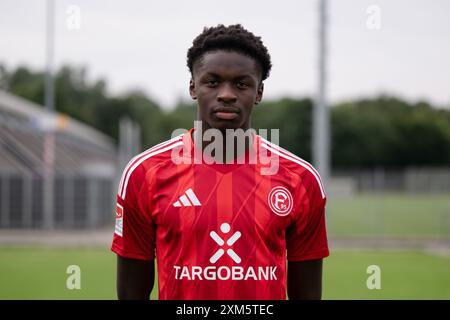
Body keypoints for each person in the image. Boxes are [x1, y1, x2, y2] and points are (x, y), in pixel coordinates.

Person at [111, 24, 329, 300]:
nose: (226, 94)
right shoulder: (144, 174)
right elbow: (131, 294)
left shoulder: (300, 179)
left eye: (241, 84)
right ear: (193, 87)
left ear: (259, 92)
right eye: (213, 82)